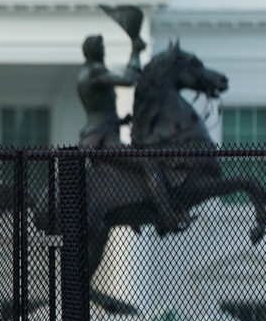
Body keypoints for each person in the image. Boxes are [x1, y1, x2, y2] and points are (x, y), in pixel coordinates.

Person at [77, 33, 187, 234]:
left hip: (96, 134)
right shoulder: (95, 71)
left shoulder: (85, 73)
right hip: (102, 140)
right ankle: (168, 217)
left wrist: (120, 121)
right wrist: (135, 52)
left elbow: (97, 112)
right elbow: (128, 80)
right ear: (95, 50)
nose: (104, 50)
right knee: (149, 163)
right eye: (102, 47)